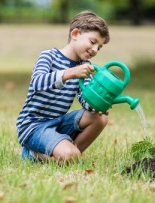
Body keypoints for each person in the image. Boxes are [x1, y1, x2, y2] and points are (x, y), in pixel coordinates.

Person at [16, 10, 110, 164]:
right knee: (70, 156)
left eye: (99, 47)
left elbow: (85, 99)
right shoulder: (49, 56)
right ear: (75, 34)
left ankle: (70, 153)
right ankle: (34, 153)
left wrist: (97, 105)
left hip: (58, 122)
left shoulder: (85, 66)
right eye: (93, 42)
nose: (95, 50)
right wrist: (71, 73)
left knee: (101, 118)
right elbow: (37, 82)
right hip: (33, 125)